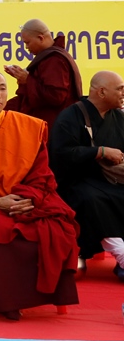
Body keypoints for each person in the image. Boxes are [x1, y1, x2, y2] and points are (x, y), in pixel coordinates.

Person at [0, 69, 79, 320]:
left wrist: (31, 198)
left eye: (2, 88)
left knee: (57, 228)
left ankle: (41, 295)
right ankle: (9, 301)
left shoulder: (26, 125)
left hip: (27, 193)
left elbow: (41, 172)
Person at [49, 71, 124, 278]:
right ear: (101, 92)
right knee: (92, 199)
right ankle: (120, 253)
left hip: (110, 179)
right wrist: (99, 151)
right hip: (75, 180)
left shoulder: (118, 117)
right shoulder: (70, 117)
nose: (123, 93)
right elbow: (60, 154)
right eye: (119, 88)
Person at [5, 19, 84, 127]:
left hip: (55, 126)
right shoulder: (48, 58)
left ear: (40, 38)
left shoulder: (55, 60)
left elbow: (56, 96)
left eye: (27, 42)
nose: (26, 47)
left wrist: (27, 80)